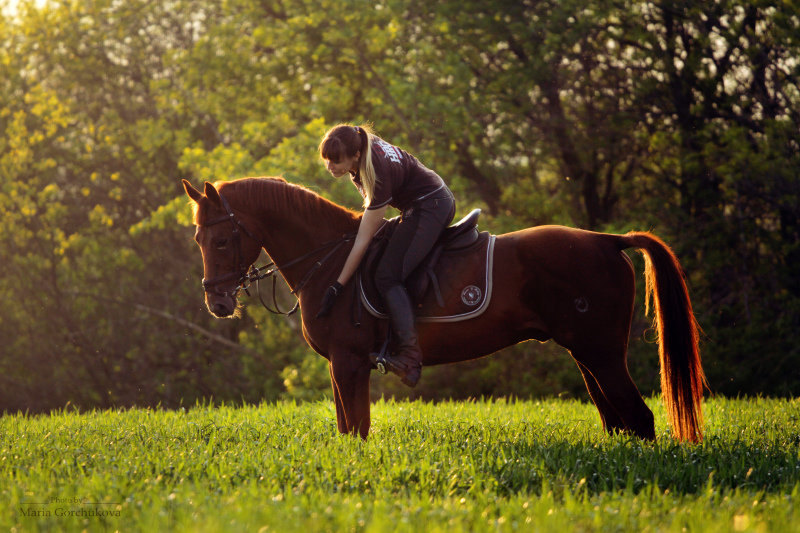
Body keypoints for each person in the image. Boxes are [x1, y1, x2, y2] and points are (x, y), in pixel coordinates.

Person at [315, 124, 456, 387]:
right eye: (327, 160)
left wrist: (337, 285)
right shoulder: (360, 147)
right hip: (419, 205)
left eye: (336, 160)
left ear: (355, 156)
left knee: (387, 277)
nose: (330, 167)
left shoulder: (375, 171)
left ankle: (410, 357)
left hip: (430, 206)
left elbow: (362, 240)